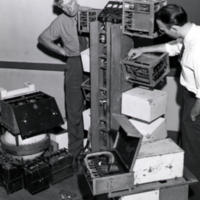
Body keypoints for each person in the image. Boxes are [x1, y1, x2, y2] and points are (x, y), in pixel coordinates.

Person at [128, 4, 200, 199]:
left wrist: (193, 113)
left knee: (193, 153)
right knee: (187, 144)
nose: (161, 33)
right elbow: (172, 47)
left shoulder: (197, 48)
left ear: (174, 28)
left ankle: (192, 194)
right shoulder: (191, 34)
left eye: (162, 30)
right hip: (190, 98)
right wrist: (143, 49)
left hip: (197, 104)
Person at [38, 0, 89, 172]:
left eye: (70, 3)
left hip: (97, 62)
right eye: (64, 6)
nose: (69, 8)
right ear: (59, 7)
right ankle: (75, 153)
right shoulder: (60, 21)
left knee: (99, 109)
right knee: (73, 110)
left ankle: (98, 150)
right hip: (74, 63)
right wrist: (61, 51)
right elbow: (43, 39)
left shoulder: (93, 13)